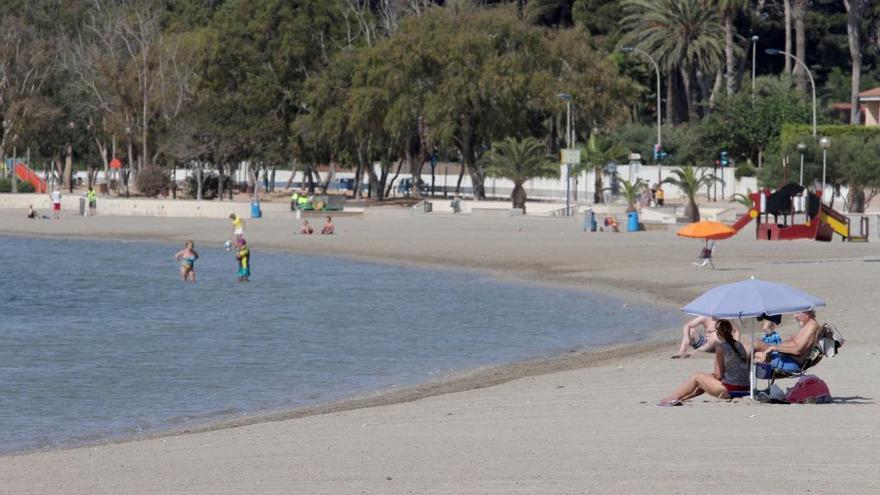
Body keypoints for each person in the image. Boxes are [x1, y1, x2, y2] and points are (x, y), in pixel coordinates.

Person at [658, 320, 750, 406]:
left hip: (730, 390)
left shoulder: (721, 347)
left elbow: (718, 375)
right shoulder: (739, 345)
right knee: (704, 381)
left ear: (717, 332)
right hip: (745, 389)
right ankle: (681, 398)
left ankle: (671, 398)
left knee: (697, 376)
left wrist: (713, 375)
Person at [753, 309, 822, 374]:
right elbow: (796, 346)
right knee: (754, 347)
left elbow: (798, 350)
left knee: (754, 350)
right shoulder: (808, 325)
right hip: (785, 357)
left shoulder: (812, 326)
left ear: (808, 312)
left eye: (797, 313)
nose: (795, 316)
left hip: (790, 362)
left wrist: (774, 348)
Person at [672, 315, 740, 359]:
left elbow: (736, 330)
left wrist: (736, 345)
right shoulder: (705, 316)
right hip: (706, 343)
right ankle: (681, 352)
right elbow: (687, 325)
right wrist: (687, 338)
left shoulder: (725, 317)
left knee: (715, 336)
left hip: (720, 344)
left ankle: (693, 353)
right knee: (691, 331)